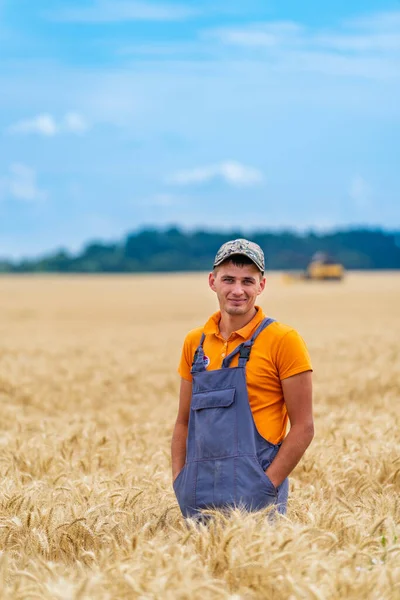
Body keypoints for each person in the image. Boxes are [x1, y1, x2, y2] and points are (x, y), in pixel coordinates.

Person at [171, 238, 314, 519]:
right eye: (229, 279)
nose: (238, 290)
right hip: (199, 496)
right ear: (213, 282)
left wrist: (265, 486)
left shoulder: (284, 340)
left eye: (248, 281)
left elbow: (304, 426)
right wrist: (181, 483)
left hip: (257, 497)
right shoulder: (195, 343)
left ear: (261, 285)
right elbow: (183, 422)